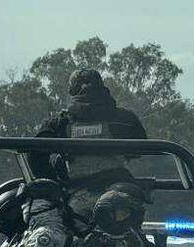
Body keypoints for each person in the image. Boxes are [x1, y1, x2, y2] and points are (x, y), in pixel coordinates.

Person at [27, 68, 151, 232]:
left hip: (77, 195)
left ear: (72, 91)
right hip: (121, 192)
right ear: (102, 87)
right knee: (130, 234)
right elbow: (139, 149)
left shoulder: (59, 123)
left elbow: (35, 153)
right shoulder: (125, 119)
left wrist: (54, 181)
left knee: (72, 235)